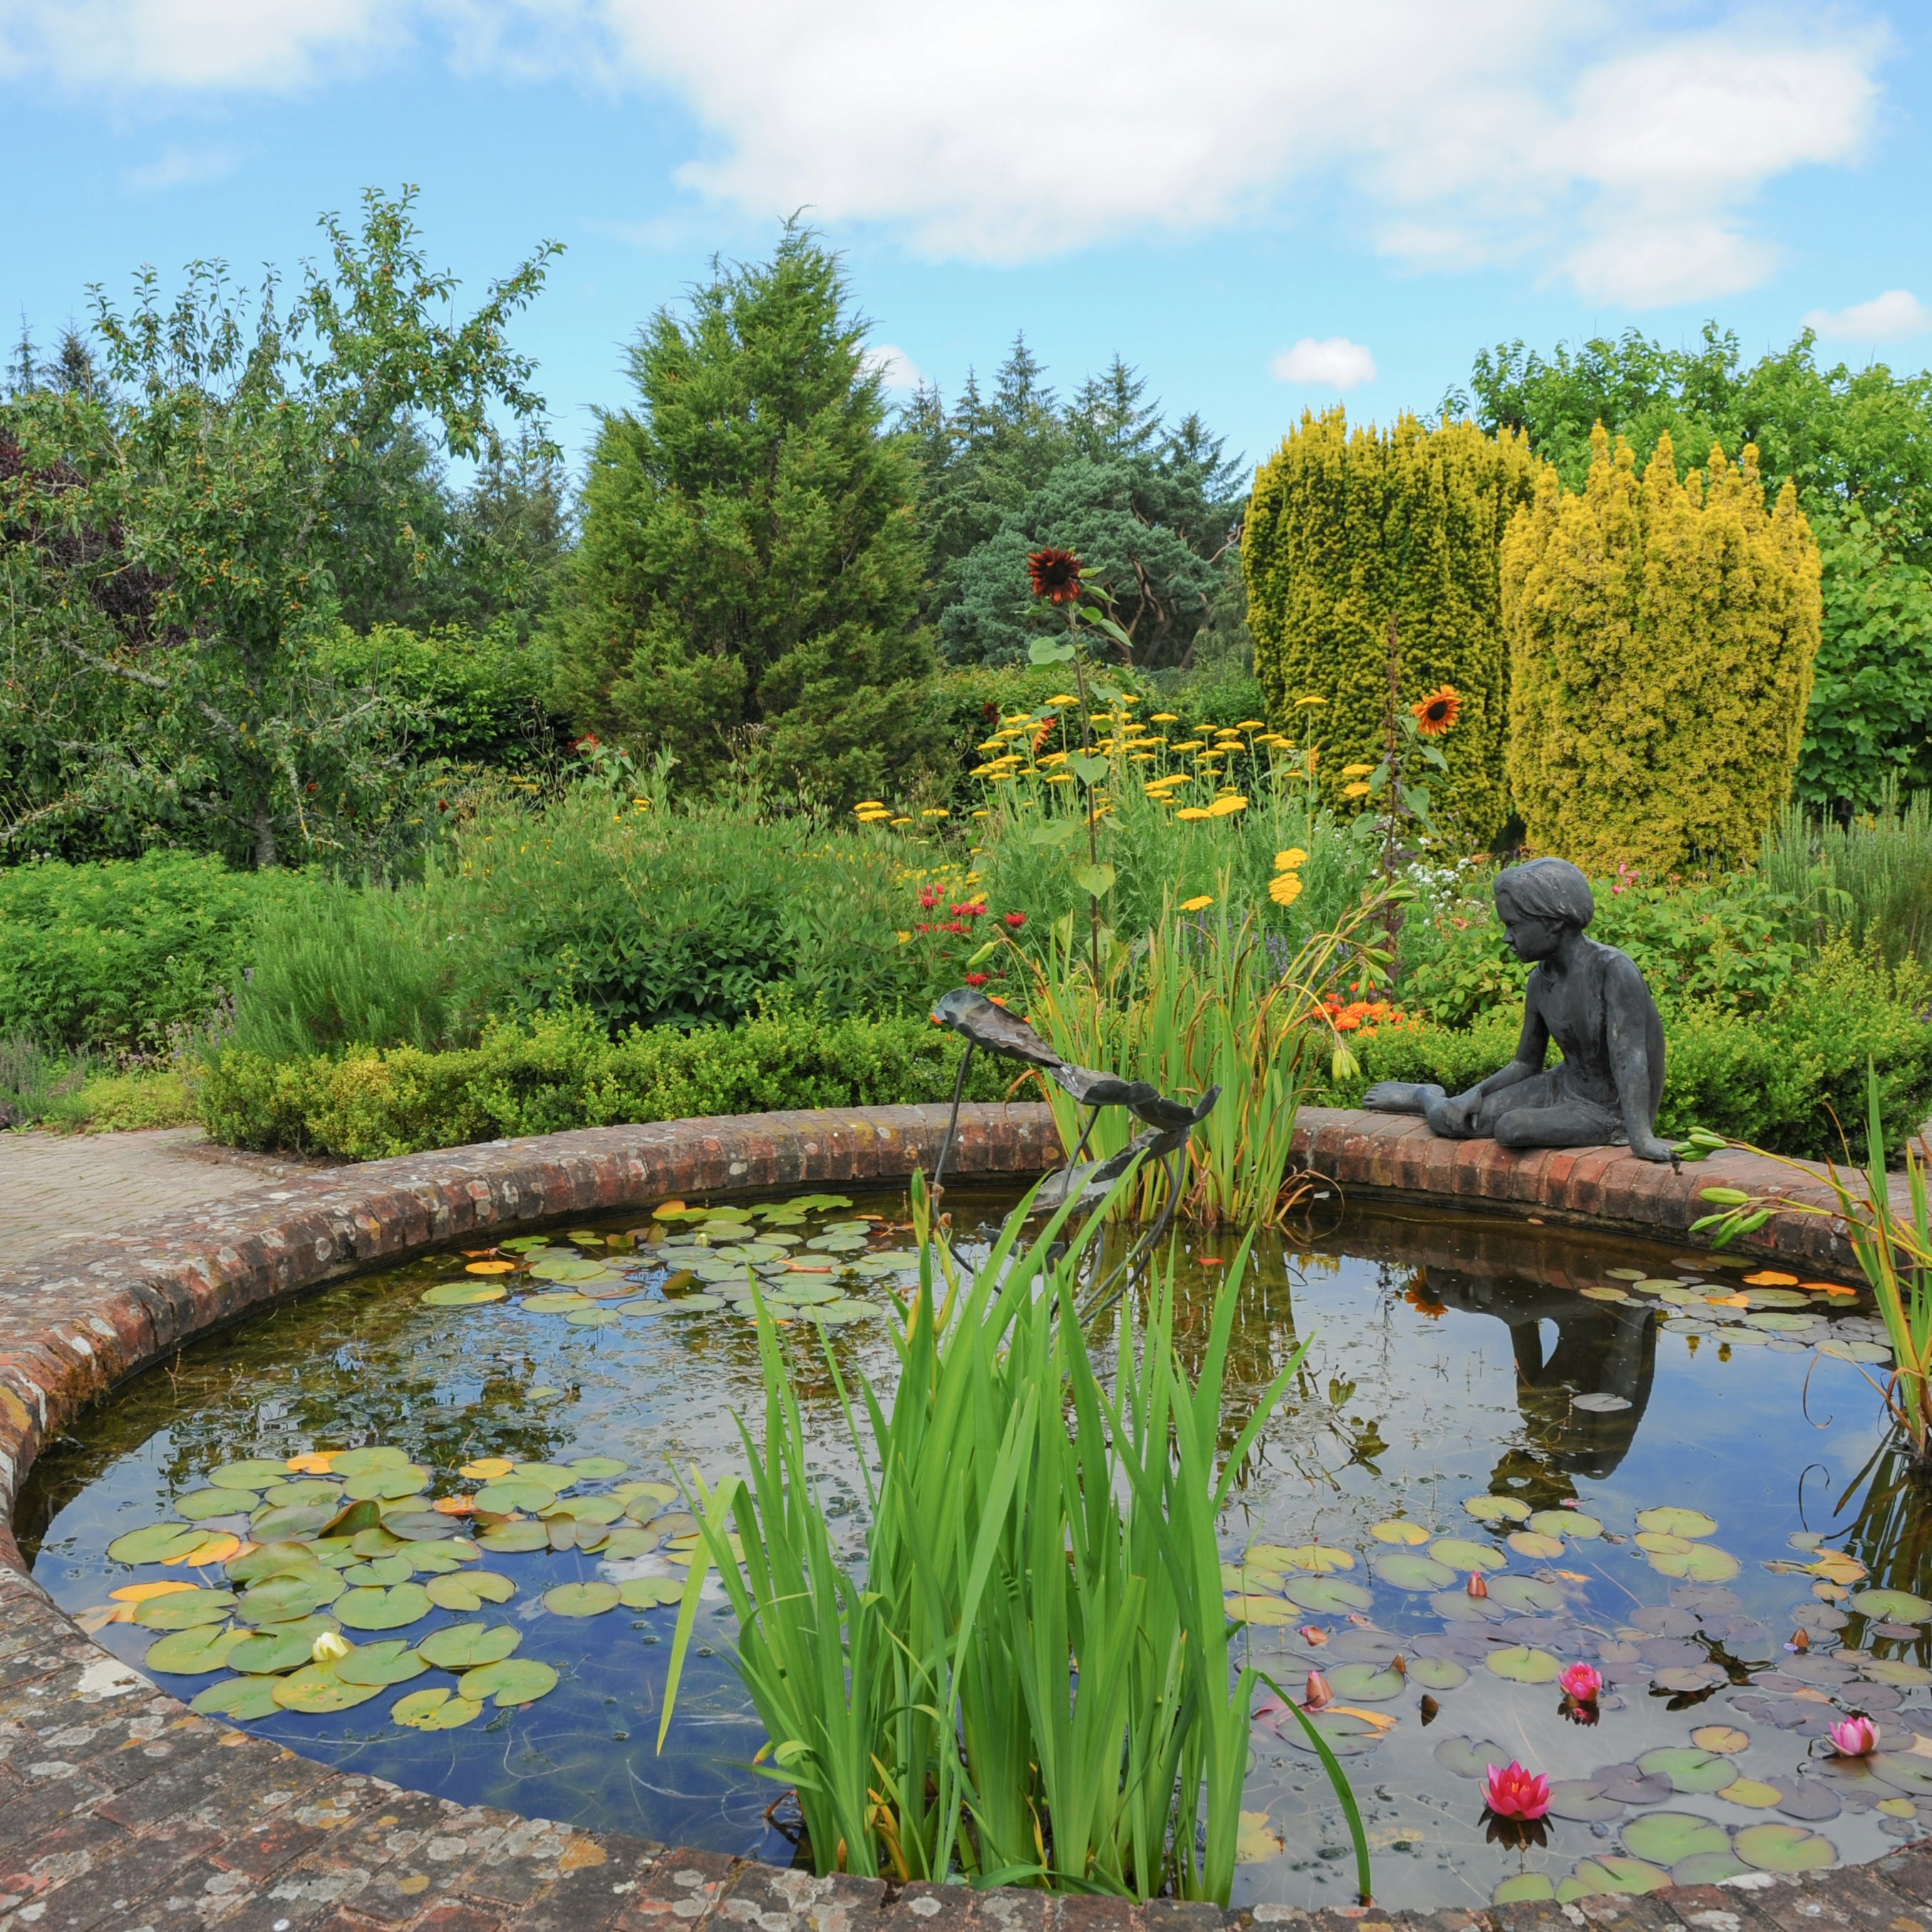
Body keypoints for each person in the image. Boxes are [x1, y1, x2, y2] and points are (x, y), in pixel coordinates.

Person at [1363, 857, 1672, 1161]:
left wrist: (1641, 1138)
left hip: (1609, 1111)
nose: (1506, 938)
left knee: (1512, 1128)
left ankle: (1619, 1130)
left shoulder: (1613, 970)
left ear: (1552, 922)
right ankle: (1424, 1096)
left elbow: (1630, 1059)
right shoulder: (1541, 979)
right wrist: (1475, 1094)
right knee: (1454, 1119)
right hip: (1563, 1087)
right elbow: (1526, 1064)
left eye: (1514, 925)